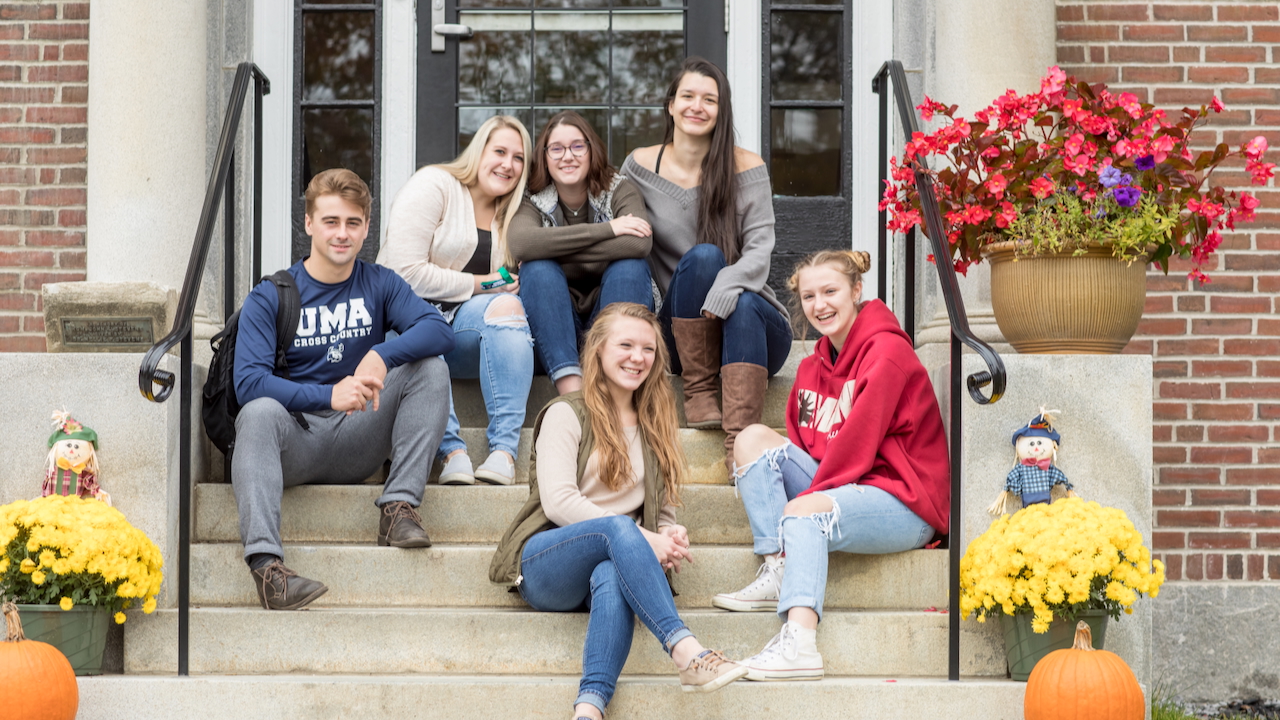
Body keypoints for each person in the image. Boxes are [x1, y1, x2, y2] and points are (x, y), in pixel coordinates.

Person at [490, 303, 748, 720]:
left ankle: (589, 708)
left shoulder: (654, 421)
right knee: (617, 529)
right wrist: (646, 538)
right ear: (598, 351)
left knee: (611, 569)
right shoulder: (566, 413)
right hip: (549, 562)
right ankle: (685, 651)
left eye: (647, 349)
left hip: (616, 560)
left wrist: (669, 533)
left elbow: (661, 511)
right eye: (625, 345)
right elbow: (558, 502)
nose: (637, 357)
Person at [710, 250, 950, 680]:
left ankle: (800, 644)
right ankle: (778, 566)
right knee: (750, 440)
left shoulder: (888, 353)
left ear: (857, 291)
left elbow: (856, 448)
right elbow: (804, 446)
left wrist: (801, 507)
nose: (819, 305)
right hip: (846, 486)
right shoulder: (811, 366)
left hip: (905, 500)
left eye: (830, 291)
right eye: (808, 296)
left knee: (804, 512)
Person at [232, 168, 455, 611]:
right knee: (256, 413)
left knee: (430, 367)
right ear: (309, 224)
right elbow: (249, 383)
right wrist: (326, 395)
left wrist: (382, 354)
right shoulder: (271, 294)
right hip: (294, 441)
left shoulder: (379, 283)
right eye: (331, 221)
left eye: (353, 223)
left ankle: (398, 508)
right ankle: (268, 568)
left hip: (359, 434)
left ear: (367, 228)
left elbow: (439, 331)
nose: (342, 234)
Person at [621, 56, 792, 472]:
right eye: (688, 96)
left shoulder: (747, 167)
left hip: (752, 331)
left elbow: (759, 247)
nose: (697, 106)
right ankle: (698, 392)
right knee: (702, 258)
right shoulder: (641, 166)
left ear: (722, 109)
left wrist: (729, 284)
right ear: (671, 105)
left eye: (709, 100)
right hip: (684, 336)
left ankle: (741, 450)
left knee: (746, 300)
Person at [378, 115, 534, 486]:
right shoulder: (434, 184)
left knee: (508, 308)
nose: (508, 164)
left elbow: (508, 286)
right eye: (500, 151)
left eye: (519, 158)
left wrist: (507, 286)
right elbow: (405, 273)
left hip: (463, 335)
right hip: (403, 325)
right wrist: (484, 282)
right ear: (478, 151)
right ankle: (451, 452)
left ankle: (503, 453)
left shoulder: (513, 214)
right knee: (420, 336)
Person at [509, 110, 655, 396]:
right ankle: (573, 395)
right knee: (537, 270)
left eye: (578, 146)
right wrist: (609, 230)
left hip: (611, 315)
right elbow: (522, 245)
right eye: (557, 149)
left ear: (591, 150)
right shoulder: (532, 197)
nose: (568, 156)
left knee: (630, 267)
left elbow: (639, 244)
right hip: (553, 328)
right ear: (544, 156)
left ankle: (609, 386)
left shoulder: (619, 188)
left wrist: (549, 248)